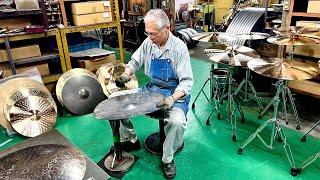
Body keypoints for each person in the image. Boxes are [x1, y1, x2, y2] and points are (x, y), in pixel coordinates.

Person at [115, 9, 194, 179]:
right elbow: (135, 61)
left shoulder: (179, 48)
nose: (150, 37)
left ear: (167, 28)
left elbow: (187, 81)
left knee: (178, 121)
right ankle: (130, 139)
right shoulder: (148, 43)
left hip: (174, 93)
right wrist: (126, 73)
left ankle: (167, 159)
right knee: (117, 101)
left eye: (153, 33)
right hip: (152, 89)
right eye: (147, 33)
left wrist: (172, 98)